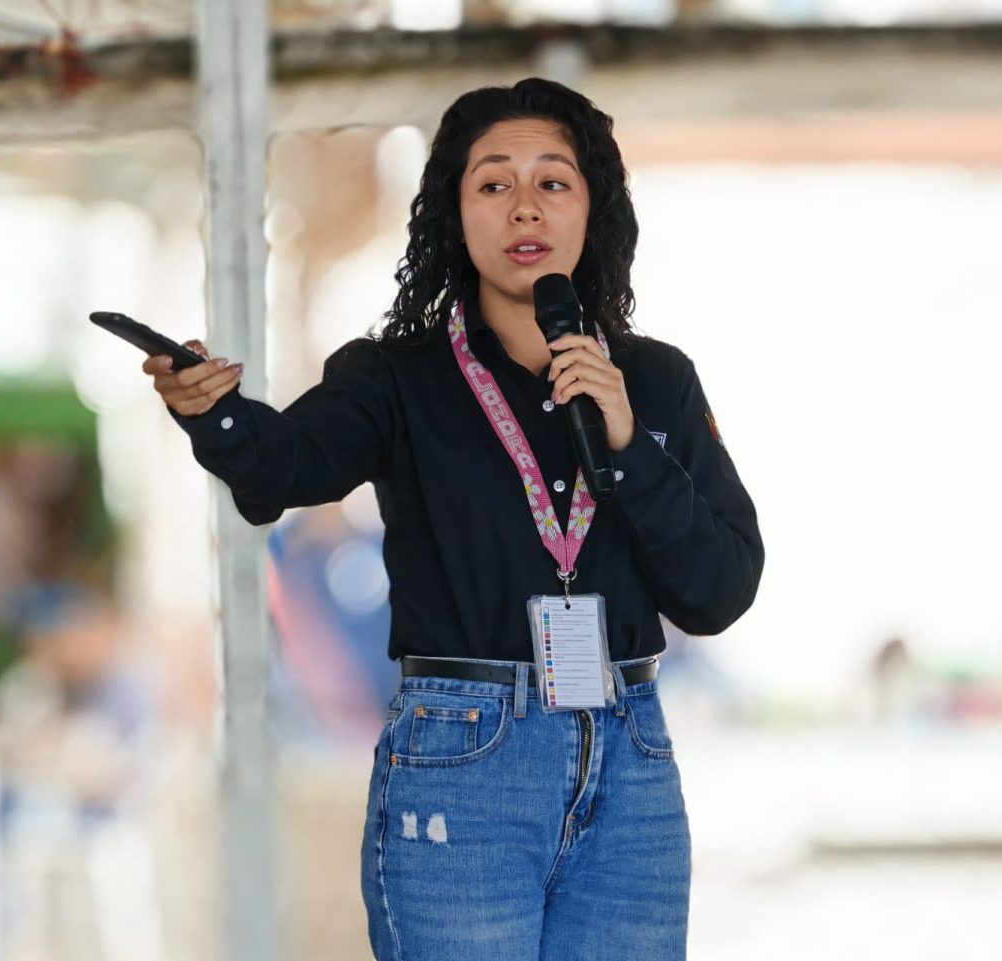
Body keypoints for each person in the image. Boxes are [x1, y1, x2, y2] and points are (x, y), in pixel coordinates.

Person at [144, 78, 763, 961]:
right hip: (466, 757)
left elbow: (720, 588)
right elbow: (286, 465)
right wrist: (216, 413)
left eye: (553, 181)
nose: (524, 206)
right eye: (493, 182)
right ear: (454, 211)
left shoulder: (656, 381)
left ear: (594, 206)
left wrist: (627, 445)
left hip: (631, 757)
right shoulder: (398, 377)